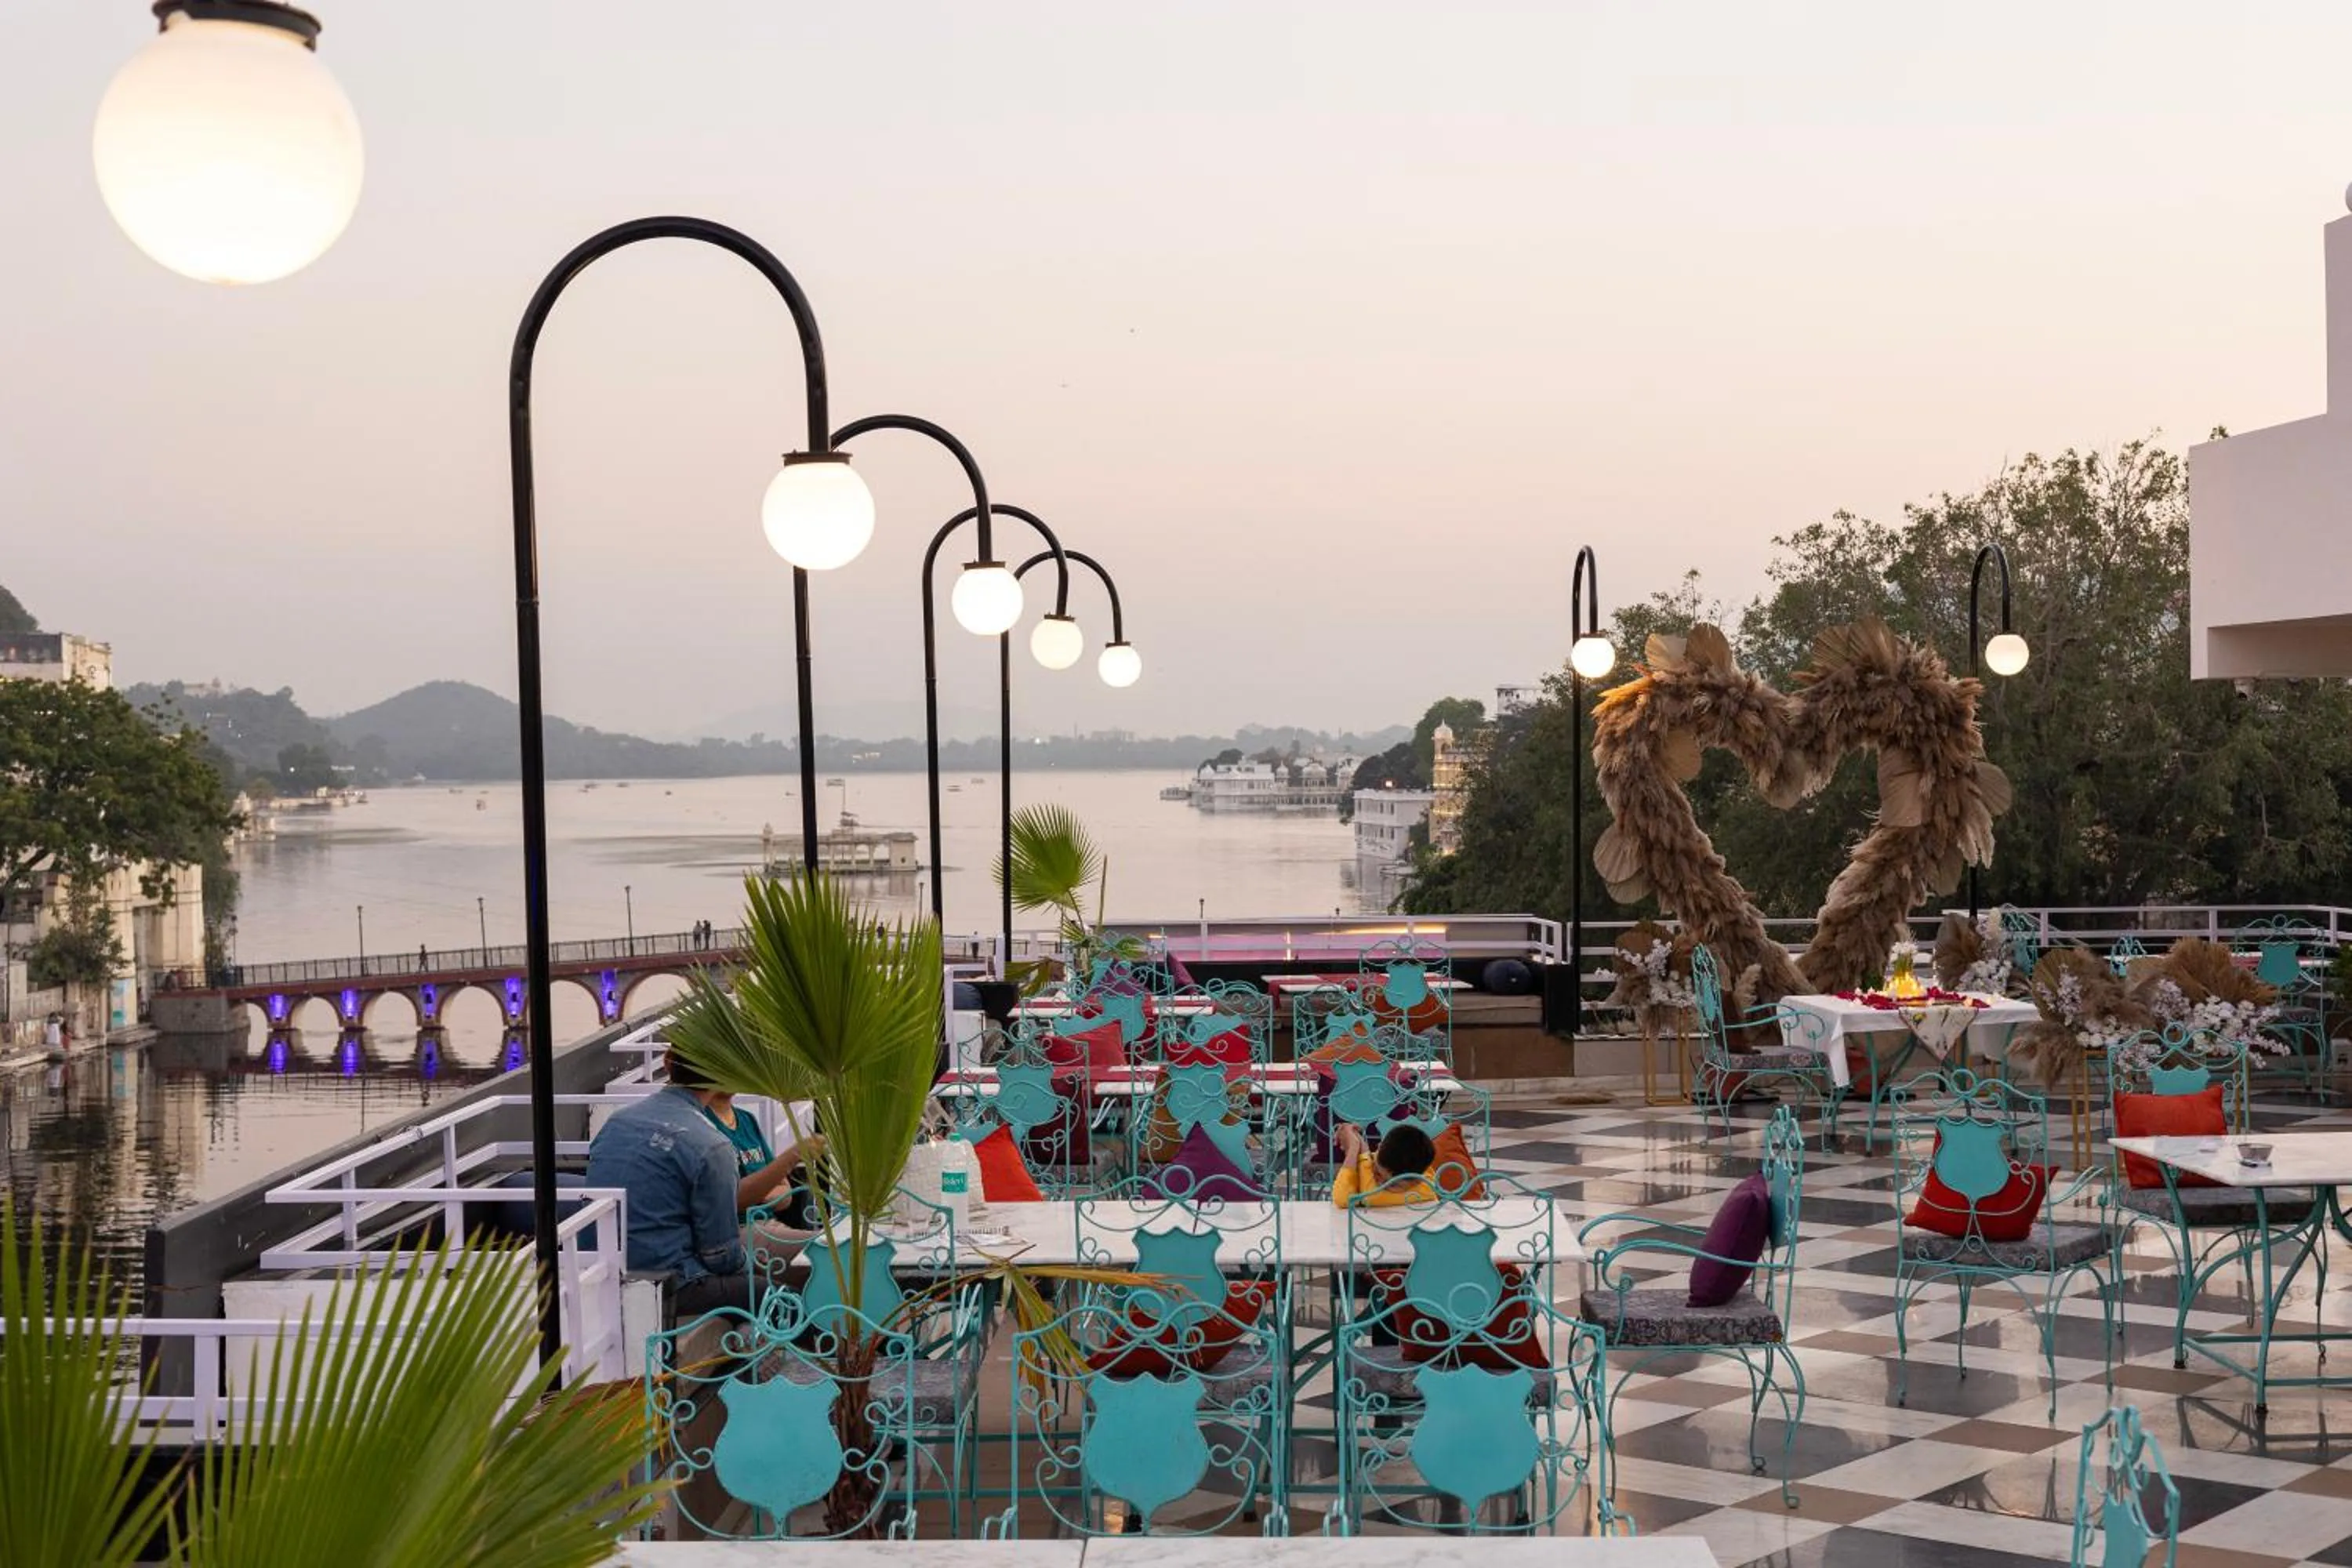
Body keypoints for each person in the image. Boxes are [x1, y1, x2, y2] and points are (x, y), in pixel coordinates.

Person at [583, 1049, 817, 1319]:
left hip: (605, 1272)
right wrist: (750, 1262)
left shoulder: (619, 1122)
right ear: (720, 1074)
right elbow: (720, 1256)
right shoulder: (711, 1144)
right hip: (672, 1282)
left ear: (668, 1063)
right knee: (788, 1303)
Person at [1330, 1122, 1438, 1207]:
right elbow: (1342, 1200)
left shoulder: (1427, 1185)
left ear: (1416, 1180)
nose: (1378, 1182)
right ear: (1379, 1146)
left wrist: (1363, 1154)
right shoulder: (1378, 1158)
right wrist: (1353, 1148)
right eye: (1377, 1173)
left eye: (1391, 1183)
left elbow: (1370, 1197)